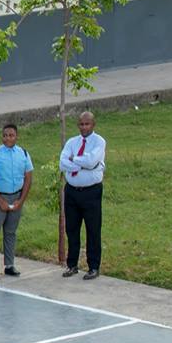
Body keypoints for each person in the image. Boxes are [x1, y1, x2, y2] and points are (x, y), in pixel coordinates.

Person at [0, 123, 33, 280]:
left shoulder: (23, 153)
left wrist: (20, 201)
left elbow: (28, 178)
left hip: (16, 197)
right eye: (5, 135)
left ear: (16, 136)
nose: (8, 138)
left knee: (10, 233)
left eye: (11, 135)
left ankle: (9, 265)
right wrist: (0, 200)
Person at [60, 111, 105, 279]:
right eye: (81, 124)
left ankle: (93, 266)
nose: (84, 127)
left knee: (93, 229)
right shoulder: (72, 142)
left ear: (93, 124)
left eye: (87, 124)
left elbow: (92, 161)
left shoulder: (99, 142)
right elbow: (63, 163)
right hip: (72, 191)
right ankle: (72, 265)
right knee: (72, 229)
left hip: (91, 192)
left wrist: (75, 160)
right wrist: (81, 163)